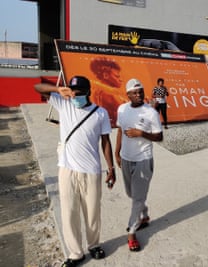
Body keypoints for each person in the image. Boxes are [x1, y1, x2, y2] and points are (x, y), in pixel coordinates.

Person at [34, 76, 115, 267]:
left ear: (89, 92)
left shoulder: (100, 113)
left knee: (92, 212)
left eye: (79, 93)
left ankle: (94, 245)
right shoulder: (64, 104)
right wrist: (58, 88)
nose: (75, 96)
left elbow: (105, 142)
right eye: (73, 91)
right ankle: (75, 253)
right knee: (69, 213)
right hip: (67, 170)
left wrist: (111, 168)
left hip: (92, 170)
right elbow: (37, 87)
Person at [115, 78, 163, 252]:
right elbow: (120, 130)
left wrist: (141, 133)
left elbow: (159, 137)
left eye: (141, 91)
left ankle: (132, 231)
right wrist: (117, 153)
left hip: (144, 159)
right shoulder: (122, 109)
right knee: (131, 193)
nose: (139, 95)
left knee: (137, 198)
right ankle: (144, 216)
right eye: (134, 92)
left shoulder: (150, 112)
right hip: (126, 158)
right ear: (127, 95)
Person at [90, 57, 126, 127]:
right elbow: (128, 111)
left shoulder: (98, 91)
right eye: (117, 76)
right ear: (106, 75)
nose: (121, 79)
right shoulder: (108, 94)